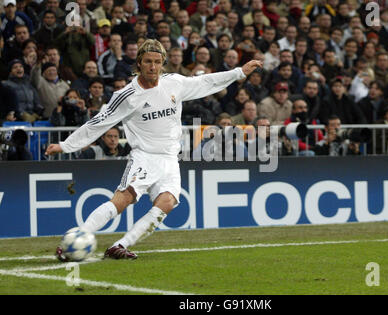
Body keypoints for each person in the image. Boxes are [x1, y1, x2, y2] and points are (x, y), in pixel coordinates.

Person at [45, 39, 262, 261]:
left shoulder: (174, 83)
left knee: (167, 203)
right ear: (139, 63)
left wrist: (238, 72)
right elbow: (98, 123)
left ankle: (120, 245)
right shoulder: (127, 96)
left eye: (157, 62)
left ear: (163, 63)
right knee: (123, 199)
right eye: (148, 61)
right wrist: (65, 145)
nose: (153, 66)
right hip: (144, 156)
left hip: (170, 158)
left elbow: (205, 82)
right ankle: (73, 241)